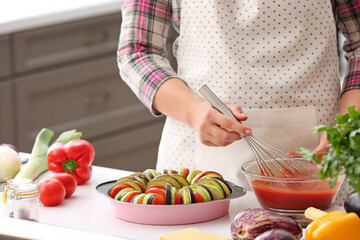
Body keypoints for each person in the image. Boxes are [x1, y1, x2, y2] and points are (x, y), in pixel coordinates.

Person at [117, 0, 360, 203]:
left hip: (323, 162)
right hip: (193, 162)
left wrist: (343, 132)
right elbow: (138, 51)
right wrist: (195, 111)